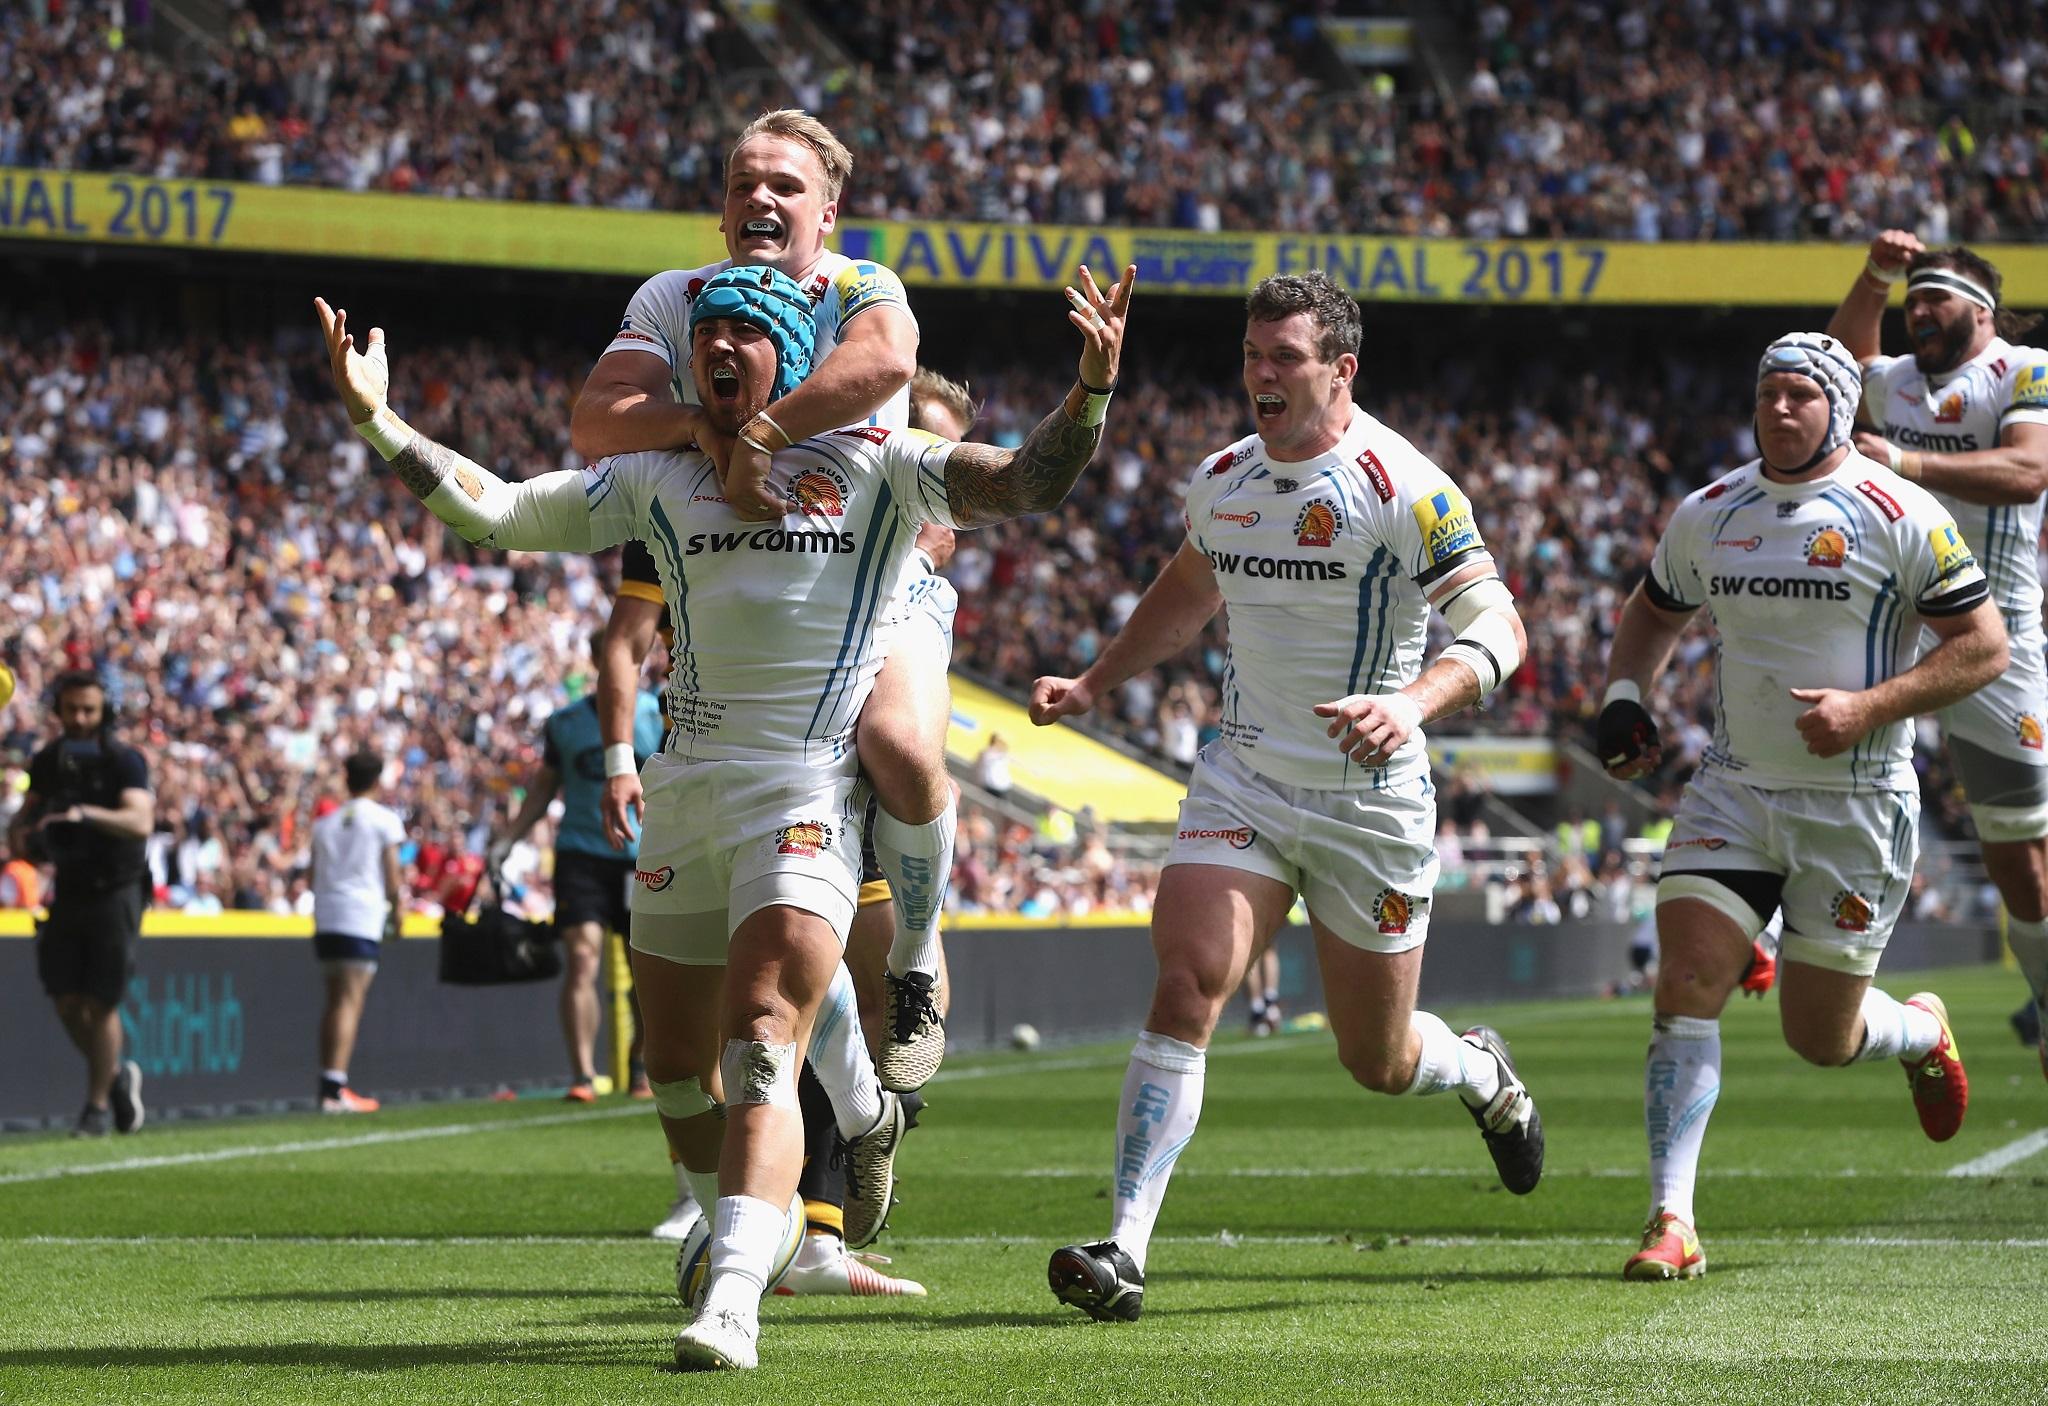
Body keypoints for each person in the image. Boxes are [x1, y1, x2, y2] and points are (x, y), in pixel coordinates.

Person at [315, 254, 1134, 1370]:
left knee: (758, 1039)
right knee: (669, 1064)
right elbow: (496, 512)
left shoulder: (881, 467)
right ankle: (780, 1194)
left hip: (803, 791)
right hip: (684, 790)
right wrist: (375, 418)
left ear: (792, 358)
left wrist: (1088, 392)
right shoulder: (658, 477)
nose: (722, 345)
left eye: (749, 330)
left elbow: (1026, 482)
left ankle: (734, 1295)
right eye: (709, 330)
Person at [1030, 270, 1542, 1323]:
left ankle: (1480, 1072)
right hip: (1246, 777)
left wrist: (1412, 701)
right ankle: (1124, 1244)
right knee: (1187, 980)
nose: (1258, 376)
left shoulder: (1405, 485)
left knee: (1380, 1059)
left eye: (1283, 359)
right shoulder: (1222, 480)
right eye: (1250, 356)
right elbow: (1183, 595)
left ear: (1338, 369)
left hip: (1368, 800)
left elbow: (1498, 629)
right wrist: (1093, 680)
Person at [1596, 333, 2007, 1282]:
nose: (1779, 410)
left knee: (1821, 1040)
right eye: (1767, 394)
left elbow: (1983, 647)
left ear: (1837, 408)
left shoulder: (1899, 511)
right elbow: (1654, 610)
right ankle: (1673, 1220)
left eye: (1799, 396)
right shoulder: (1711, 510)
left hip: (1856, 805)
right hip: (1733, 790)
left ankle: (1917, 1031)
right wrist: (1626, 695)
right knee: (1687, 983)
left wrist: (1868, 708)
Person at [579, 109, 956, 1092]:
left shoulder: (863, 286)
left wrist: (760, 436)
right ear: (719, 208)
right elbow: (594, 419)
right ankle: (833, 1151)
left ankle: (917, 953)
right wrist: (706, 426)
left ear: (827, 212)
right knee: (772, 927)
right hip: (744, 585)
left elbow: (883, 365)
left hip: (871, 574)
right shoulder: (674, 297)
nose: (760, 197)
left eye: (785, 185)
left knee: (904, 748)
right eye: (743, 181)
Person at [1826, 234, 2048, 1078]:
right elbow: (1838, 359)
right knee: (1818, 756)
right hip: (1898, 621)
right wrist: (1876, 273)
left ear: (1981, 312)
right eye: (1911, 300)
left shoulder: (2024, 369)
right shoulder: (1896, 382)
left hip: (1997, 637)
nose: (1918, 311)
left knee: (2021, 863)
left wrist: (1909, 462)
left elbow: (2030, 472)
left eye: (1934, 299)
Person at [490, 633, 665, 1102]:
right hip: (582, 854)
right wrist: (509, 838)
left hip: (643, 856)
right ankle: (584, 1074)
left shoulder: (657, 714)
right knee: (583, 960)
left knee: (644, 968)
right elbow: (544, 788)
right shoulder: (565, 723)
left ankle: (641, 1063)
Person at [7, 672, 155, 1138]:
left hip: (117, 887)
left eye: (89, 710)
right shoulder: (49, 760)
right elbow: (25, 818)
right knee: (67, 999)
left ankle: (95, 1110)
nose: (80, 718)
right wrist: (25, 833)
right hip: (68, 888)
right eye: (71, 709)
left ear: (103, 711)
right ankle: (114, 1077)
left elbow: (140, 819)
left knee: (101, 1002)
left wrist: (86, 815)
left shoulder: (124, 761)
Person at [307, 751, 405, 1113]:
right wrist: (399, 914)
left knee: (335, 1001)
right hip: (359, 917)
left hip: (327, 915)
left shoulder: (325, 823)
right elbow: (392, 875)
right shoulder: (383, 821)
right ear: (378, 780)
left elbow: (311, 876)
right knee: (348, 1002)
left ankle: (330, 1083)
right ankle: (334, 1088)